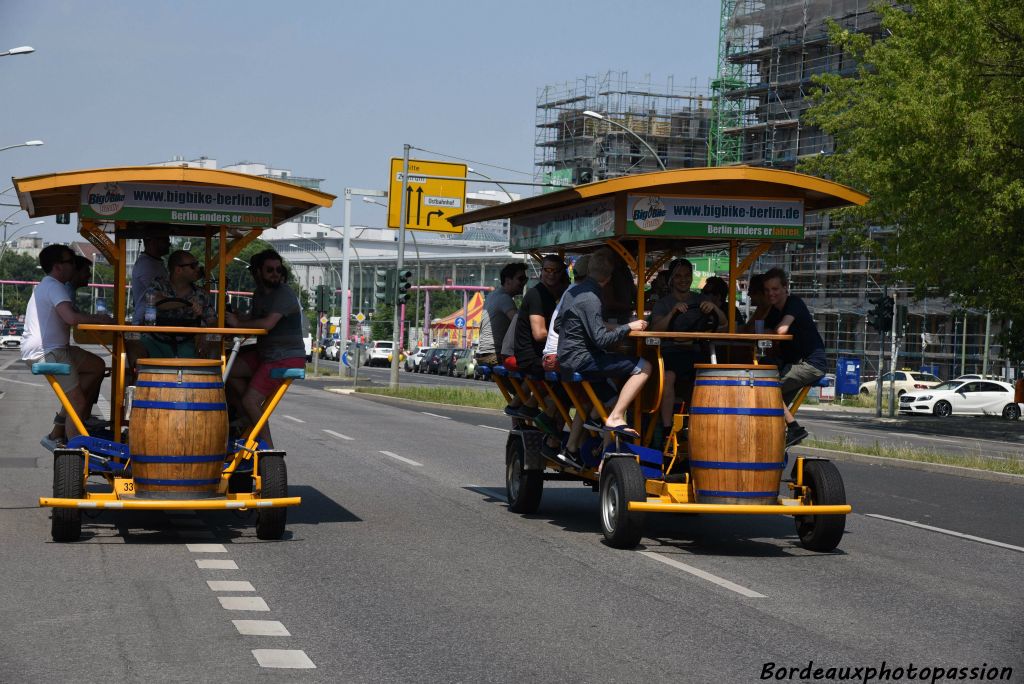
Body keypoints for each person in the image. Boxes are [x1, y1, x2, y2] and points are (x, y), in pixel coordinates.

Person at [557, 247, 650, 462]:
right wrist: (628, 326)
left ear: (589, 270)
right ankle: (614, 418)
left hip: (568, 359)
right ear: (608, 279)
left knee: (615, 397)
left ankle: (598, 443)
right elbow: (601, 340)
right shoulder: (592, 298)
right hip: (583, 360)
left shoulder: (573, 292)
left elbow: (558, 325)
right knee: (645, 366)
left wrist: (595, 326)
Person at [21, 245, 113, 449]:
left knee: (96, 366)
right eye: (70, 262)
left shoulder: (49, 284)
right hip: (47, 352)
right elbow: (71, 318)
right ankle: (74, 453)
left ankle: (65, 425)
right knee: (78, 402)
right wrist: (98, 318)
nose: (74, 266)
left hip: (54, 348)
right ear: (58, 267)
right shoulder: (55, 286)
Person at [225, 249, 305, 448]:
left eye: (278, 269)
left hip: (284, 356)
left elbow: (267, 324)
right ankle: (247, 417)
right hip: (265, 353)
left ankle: (267, 450)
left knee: (251, 401)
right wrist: (234, 320)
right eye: (270, 270)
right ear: (257, 272)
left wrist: (236, 324)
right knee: (226, 368)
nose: (275, 274)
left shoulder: (284, 294)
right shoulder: (259, 294)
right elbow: (253, 322)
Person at [649, 258, 723, 438]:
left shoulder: (701, 300)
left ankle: (702, 426)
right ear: (671, 280)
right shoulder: (663, 304)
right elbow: (656, 329)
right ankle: (667, 429)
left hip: (696, 352)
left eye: (687, 275)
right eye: (679, 276)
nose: (683, 279)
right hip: (670, 353)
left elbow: (723, 324)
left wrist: (714, 308)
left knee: (710, 374)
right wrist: (673, 312)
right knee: (668, 376)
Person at [762, 267, 826, 447]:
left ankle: (795, 428)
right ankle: (774, 442)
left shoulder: (794, 303)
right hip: (793, 364)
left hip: (811, 364)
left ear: (785, 288)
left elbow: (782, 330)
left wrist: (771, 336)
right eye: (767, 290)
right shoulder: (773, 311)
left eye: (775, 289)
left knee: (765, 389)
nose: (771, 293)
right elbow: (763, 335)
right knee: (767, 402)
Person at [140, 250, 216, 358]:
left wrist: (205, 334)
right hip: (156, 341)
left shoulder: (201, 294)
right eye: (193, 266)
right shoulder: (158, 285)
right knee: (131, 340)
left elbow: (212, 321)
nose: (198, 269)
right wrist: (186, 303)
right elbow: (156, 301)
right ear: (178, 269)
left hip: (189, 344)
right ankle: (139, 373)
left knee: (215, 342)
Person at [476, 262, 527, 366]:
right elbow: (520, 324)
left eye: (526, 279)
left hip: (483, 354)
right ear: (508, 281)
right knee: (532, 368)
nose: (524, 283)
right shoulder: (505, 299)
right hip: (494, 355)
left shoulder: (492, 295)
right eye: (521, 279)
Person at [130, 232, 170, 324]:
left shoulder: (156, 262)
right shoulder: (146, 265)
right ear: (152, 241)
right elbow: (157, 296)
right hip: (144, 324)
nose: (169, 244)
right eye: (165, 240)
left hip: (154, 322)